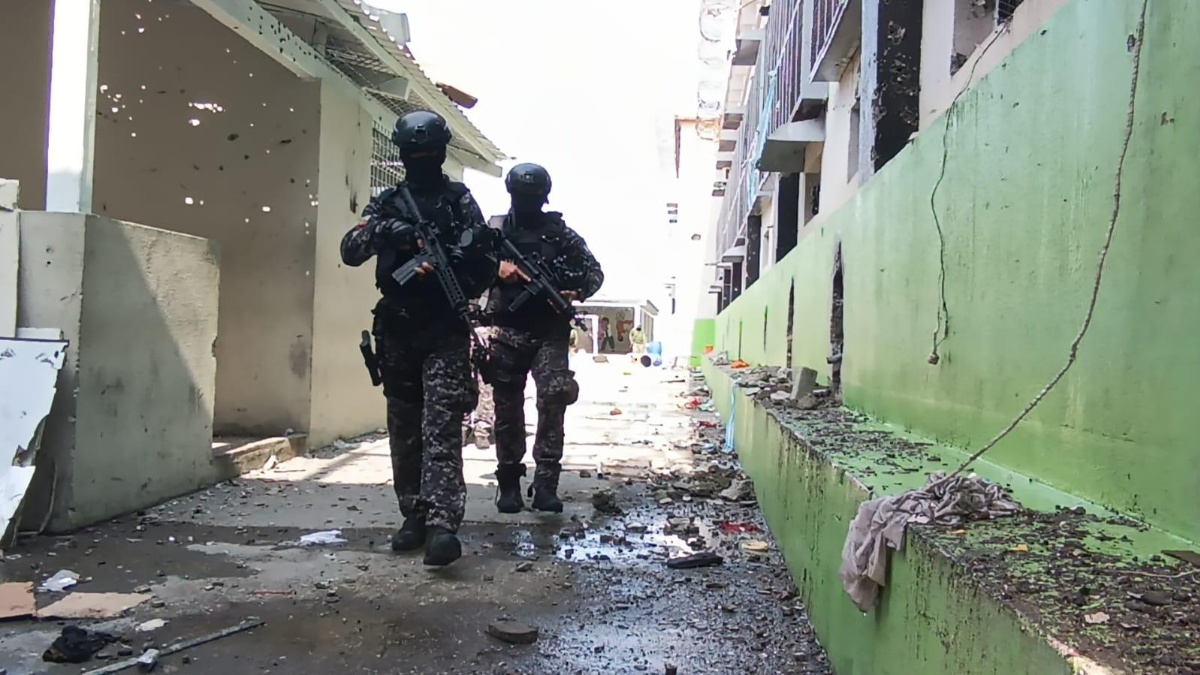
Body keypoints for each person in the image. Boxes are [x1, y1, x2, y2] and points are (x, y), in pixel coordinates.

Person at [339, 110, 495, 566]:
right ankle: (414, 515)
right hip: (399, 328)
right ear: (403, 155)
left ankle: (444, 524)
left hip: (443, 327)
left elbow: (485, 261)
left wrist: (456, 265)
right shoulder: (388, 202)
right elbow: (350, 249)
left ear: (441, 153)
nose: (422, 159)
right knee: (404, 428)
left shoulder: (459, 201)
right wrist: (392, 233)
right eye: (415, 153)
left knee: (441, 426)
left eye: (429, 153)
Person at [488, 163, 604, 513]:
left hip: (549, 332)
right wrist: (496, 269)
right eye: (523, 196)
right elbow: (467, 265)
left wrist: (575, 290)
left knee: (553, 400)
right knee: (507, 408)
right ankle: (509, 482)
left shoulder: (561, 235)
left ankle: (546, 484)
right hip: (507, 329)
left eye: (533, 197)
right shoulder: (493, 232)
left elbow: (594, 273)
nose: (528, 203)